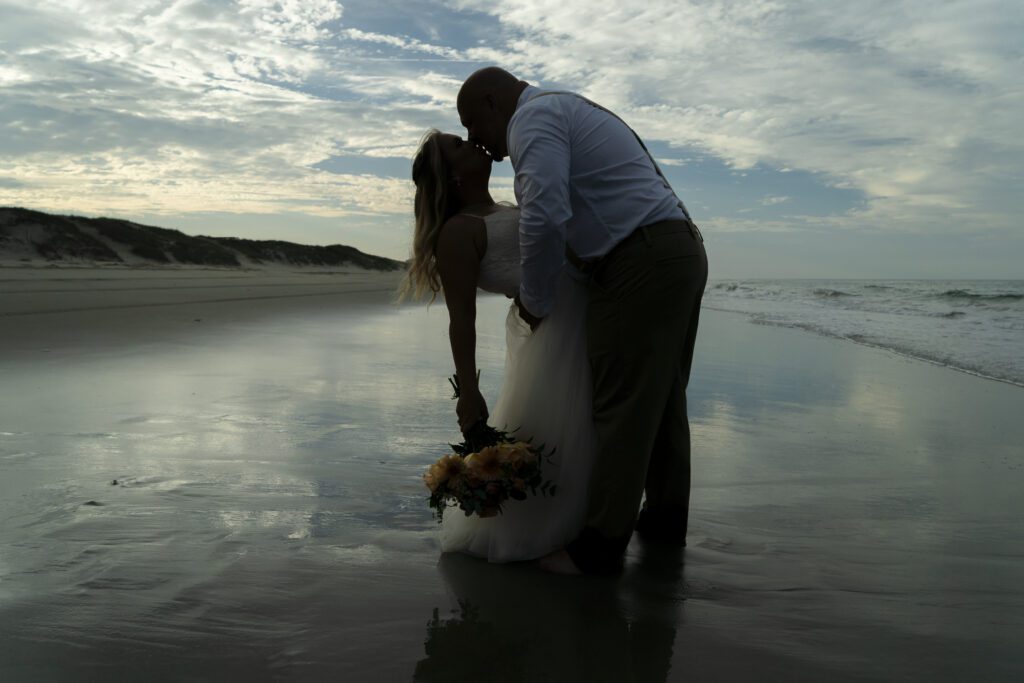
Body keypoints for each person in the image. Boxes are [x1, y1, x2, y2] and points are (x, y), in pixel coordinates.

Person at [457, 67, 709, 575]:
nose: (475, 140)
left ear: (492, 100)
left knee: (620, 403)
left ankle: (597, 548)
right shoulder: (560, 107)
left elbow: (545, 214)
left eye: (471, 124)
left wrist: (535, 300)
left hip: (638, 260)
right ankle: (663, 523)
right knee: (659, 401)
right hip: (675, 251)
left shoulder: (533, 118)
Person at [401, 129, 597, 562]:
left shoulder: (507, 205)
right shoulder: (459, 232)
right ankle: (563, 533)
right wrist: (468, 391)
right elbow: (462, 321)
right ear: (450, 176)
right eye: (457, 145)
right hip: (559, 331)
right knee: (573, 427)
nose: (473, 142)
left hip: (583, 314)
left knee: (588, 428)